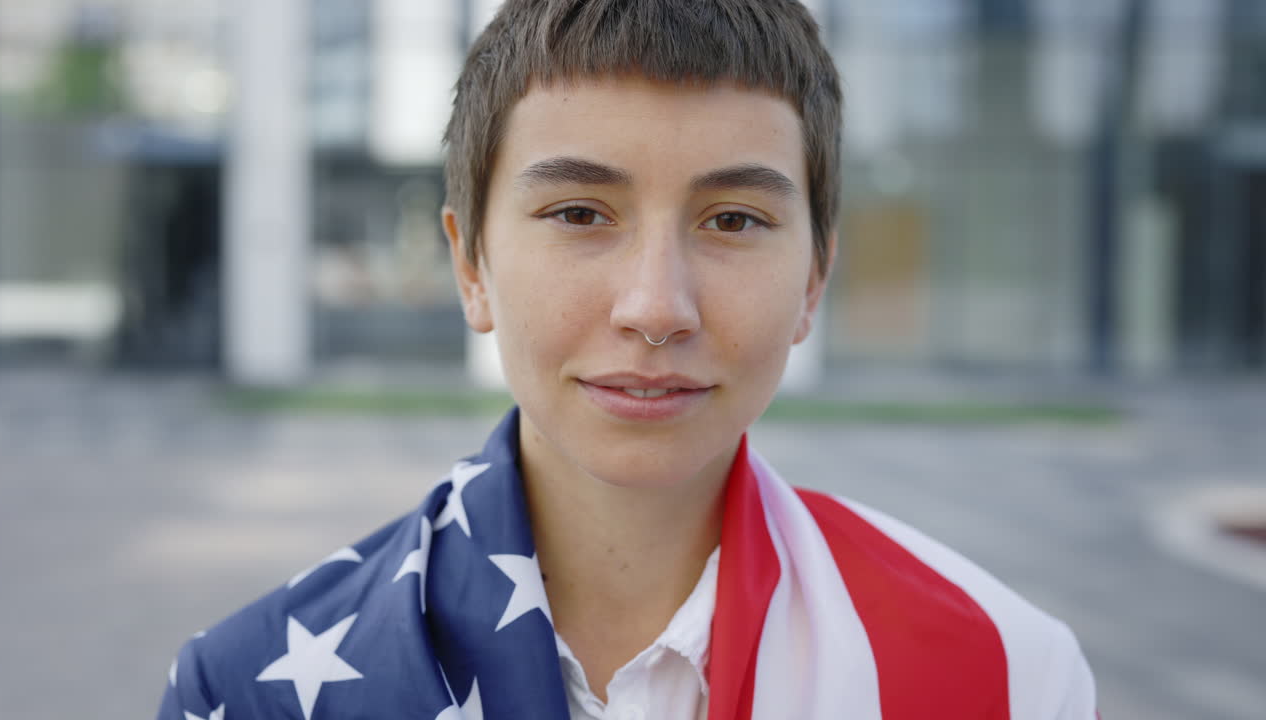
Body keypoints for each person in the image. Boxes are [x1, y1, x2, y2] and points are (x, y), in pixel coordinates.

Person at [158, 1, 1098, 718]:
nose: (656, 307)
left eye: (733, 220)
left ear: (815, 277)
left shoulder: (1008, 673)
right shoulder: (252, 688)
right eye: (578, 214)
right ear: (469, 264)